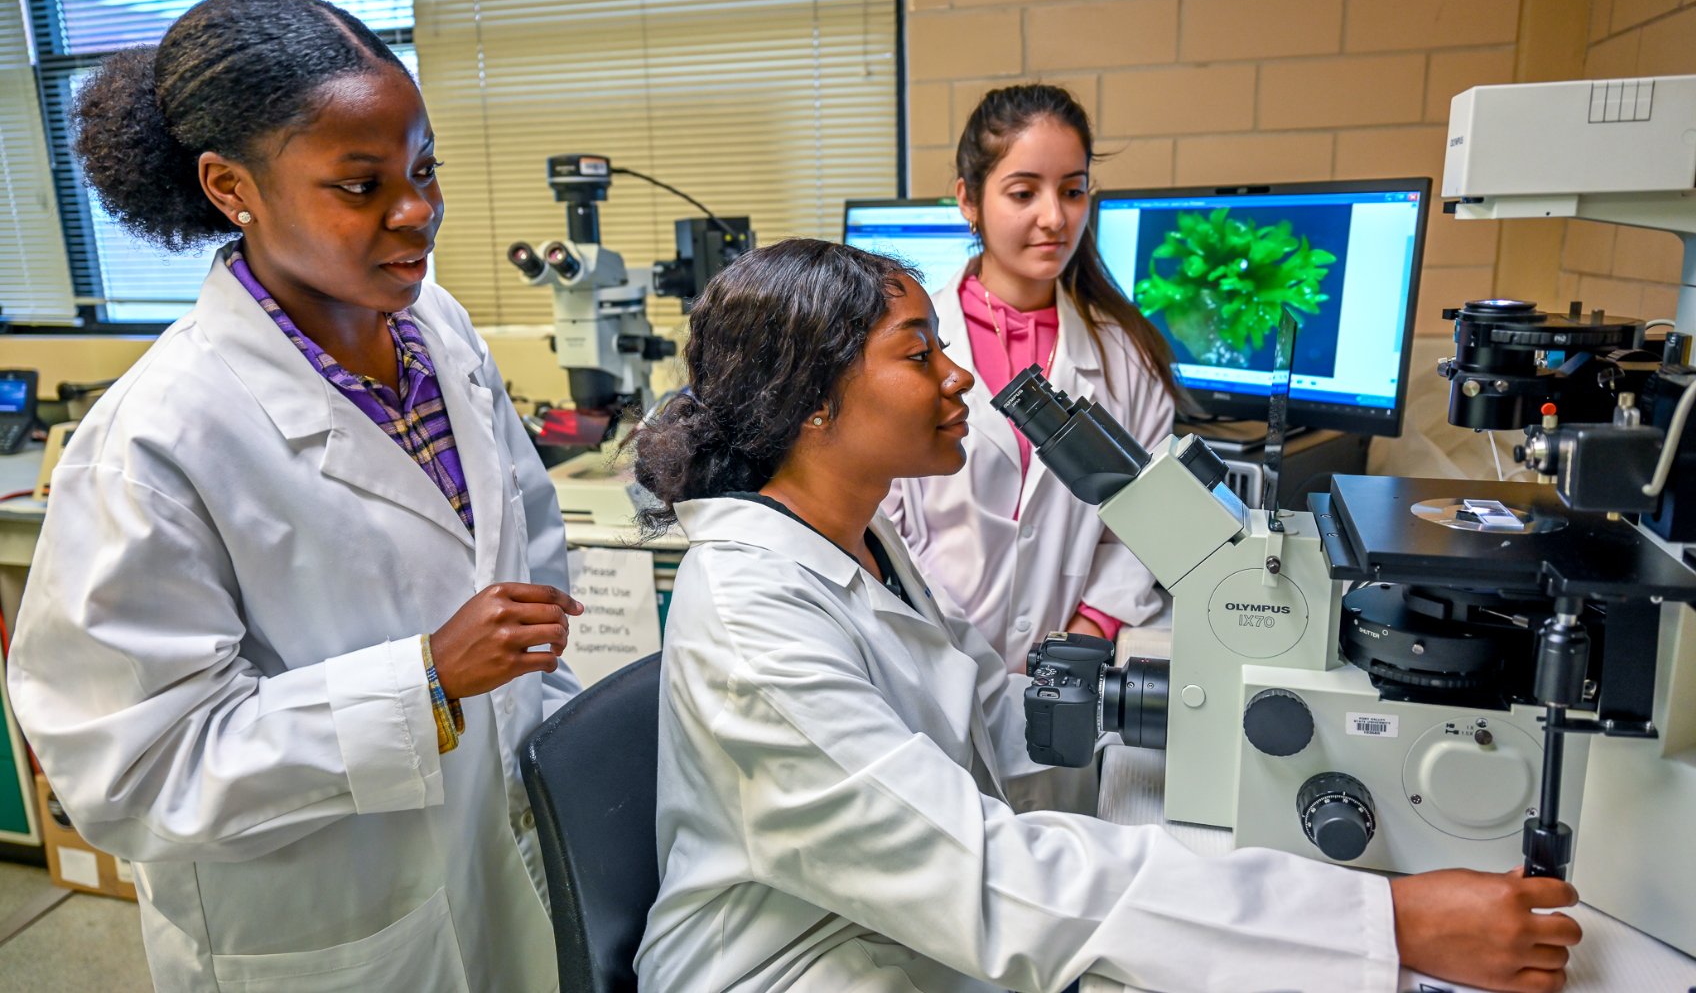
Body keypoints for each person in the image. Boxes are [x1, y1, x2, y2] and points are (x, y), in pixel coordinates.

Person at [630, 237, 1581, 993]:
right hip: (794, 967)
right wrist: (1387, 923)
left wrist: (1174, 720)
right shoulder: (755, 627)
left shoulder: (859, 540)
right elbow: (984, 877)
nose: (958, 378)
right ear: (812, 407)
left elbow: (984, 715)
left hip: (900, 932)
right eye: (918, 354)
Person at [6, 0, 582, 992]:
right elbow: (132, 774)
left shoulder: (438, 332)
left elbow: (527, 560)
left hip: (504, 857)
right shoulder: (159, 436)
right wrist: (426, 682)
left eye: (423, 168)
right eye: (359, 186)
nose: (417, 211)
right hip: (326, 927)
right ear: (233, 187)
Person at [883, 83, 1178, 673]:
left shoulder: (1127, 357)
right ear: (969, 199)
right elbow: (884, 522)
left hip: (1068, 676)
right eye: (1024, 192)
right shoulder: (901, 351)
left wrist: (1080, 640)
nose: (1055, 217)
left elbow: (1146, 528)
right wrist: (948, 655)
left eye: (1073, 191)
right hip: (927, 660)